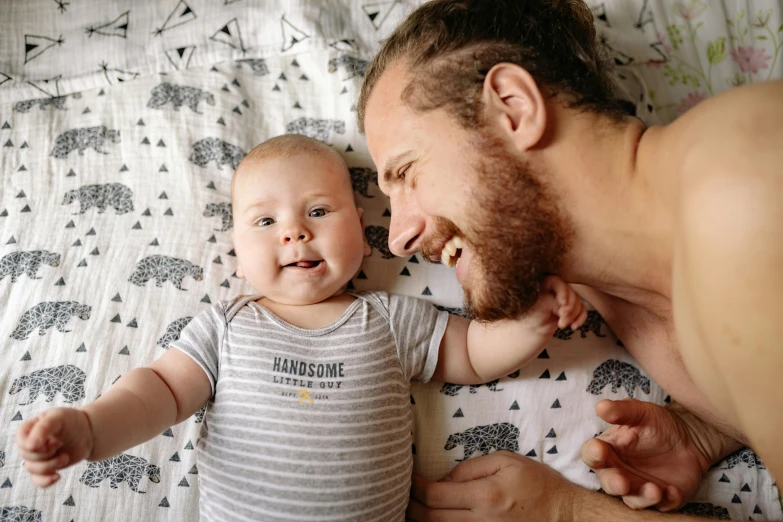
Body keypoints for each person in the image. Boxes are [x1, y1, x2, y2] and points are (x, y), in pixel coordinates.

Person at [15, 134, 587, 521]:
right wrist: (92, 430)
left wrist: (532, 321)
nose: (294, 233)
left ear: (362, 230)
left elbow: (474, 352)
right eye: (266, 221)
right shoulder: (227, 327)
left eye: (318, 211)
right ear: (238, 248)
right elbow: (156, 394)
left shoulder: (387, 320)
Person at [358, 0, 783, 520]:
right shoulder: (614, 286)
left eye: (407, 172)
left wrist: (564, 511)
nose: (398, 237)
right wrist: (709, 429)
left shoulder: (746, 177)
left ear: (514, 108)